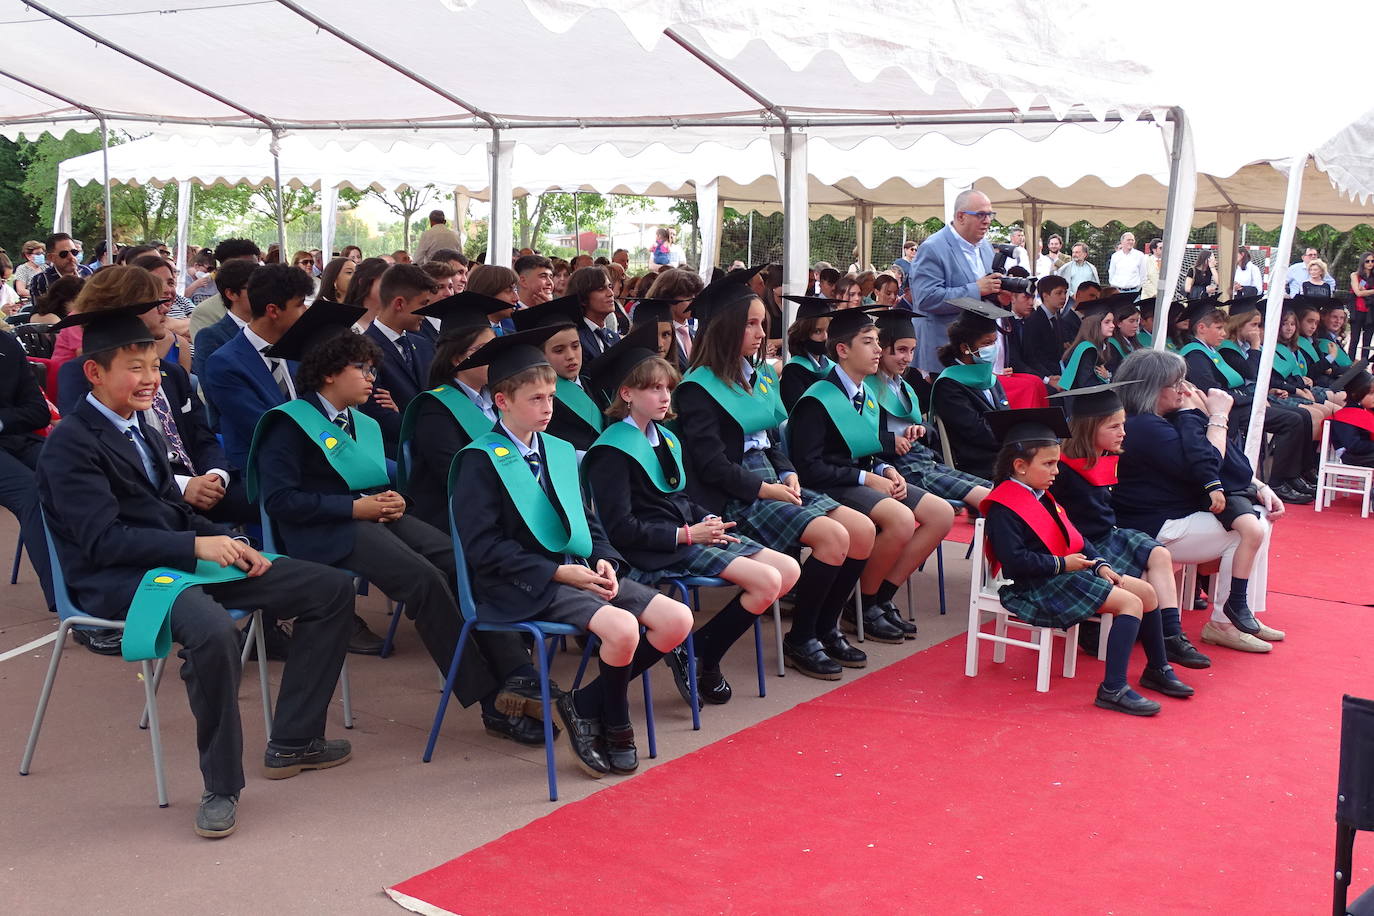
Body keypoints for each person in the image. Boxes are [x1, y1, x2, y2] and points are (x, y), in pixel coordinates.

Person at [38, 301, 356, 838]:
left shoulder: (145, 428)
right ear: (94, 372)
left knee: (328, 588)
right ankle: (222, 785)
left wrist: (224, 540)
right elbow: (102, 541)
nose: (150, 378)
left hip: (179, 557)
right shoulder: (71, 444)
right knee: (212, 631)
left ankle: (295, 739)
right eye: (134, 368)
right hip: (121, 579)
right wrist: (196, 546)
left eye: (155, 366)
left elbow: (170, 506)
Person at [250, 302, 549, 747]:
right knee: (424, 580)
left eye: (373, 369)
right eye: (362, 368)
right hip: (321, 533)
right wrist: (355, 509)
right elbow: (279, 500)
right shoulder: (289, 425)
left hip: (372, 519)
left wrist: (393, 499)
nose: (372, 378)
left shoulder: (360, 423)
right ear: (329, 372)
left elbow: (380, 479)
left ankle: (520, 676)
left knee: (460, 560)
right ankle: (491, 702)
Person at [452, 330, 693, 777]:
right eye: (536, 400)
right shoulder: (478, 460)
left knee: (677, 620)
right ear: (502, 402)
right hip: (521, 582)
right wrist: (559, 575)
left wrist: (605, 558)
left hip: (578, 571)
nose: (548, 408)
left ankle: (582, 704)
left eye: (550, 397)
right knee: (623, 629)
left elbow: (588, 522)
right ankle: (615, 722)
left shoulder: (558, 451)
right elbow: (483, 548)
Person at [675, 276, 876, 680]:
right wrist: (768, 488)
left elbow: (770, 437)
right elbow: (712, 466)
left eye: (763, 323)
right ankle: (802, 637)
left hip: (772, 480)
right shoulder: (697, 389)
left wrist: (786, 471)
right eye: (750, 324)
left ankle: (825, 625)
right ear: (726, 326)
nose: (760, 333)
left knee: (863, 530)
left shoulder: (759, 375)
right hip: (734, 495)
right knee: (833, 537)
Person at [584, 330, 798, 704]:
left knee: (790, 571)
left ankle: (697, 649)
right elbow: (620, 529)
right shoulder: (612, 451)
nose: (665, 396)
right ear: (627, 394)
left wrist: (710, 521)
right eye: (653, 389)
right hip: (654, 548)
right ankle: (706, 656)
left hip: (689, 533)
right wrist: (686, 535)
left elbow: (679, 496)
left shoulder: (664, 437)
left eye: (667, 387)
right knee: (766, 581)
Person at [979, 407, 1171, 716]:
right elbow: (1015, 563)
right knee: (1130, 604)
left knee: (1148, 593)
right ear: (1020, 466)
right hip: (1035, 586)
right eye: (1049, 463)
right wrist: (1063, 565)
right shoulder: (1005, 506)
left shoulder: (1041, 494)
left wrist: (1100, 564)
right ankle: (1112, 689)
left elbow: (1075, 538)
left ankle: (1157, 669)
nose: (1057, 470)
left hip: (1060, 574)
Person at [788, 308, 955, 643]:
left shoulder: (865, 394)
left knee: (942, 513)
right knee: (901, 519)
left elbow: (870, 448)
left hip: (860, 478)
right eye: (868, 342)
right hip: (829, 485)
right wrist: (867, 478)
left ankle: (876, 599)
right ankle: (861, 602)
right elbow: (809, 469)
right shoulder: (818, 399)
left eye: (878, 341)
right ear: (842, 350)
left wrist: (885, 468)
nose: (878, 349)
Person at [1111, 349, 1282, 656]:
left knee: (1258, 517)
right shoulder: (1144, 426)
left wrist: (1258, 485)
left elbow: (1231, 466)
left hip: (1170, 515)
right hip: (1151, 525)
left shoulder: (1163, 419)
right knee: (1246, 530)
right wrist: (1215, 417)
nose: (1183, 389)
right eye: (1174, 383)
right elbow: (1209, 464)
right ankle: (1224, 623)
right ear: (1150, 388)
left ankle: (1240, 615)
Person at [58, 267, 253, 526]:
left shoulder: (170, 373)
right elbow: (108, 457)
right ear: (127, 309)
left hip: (205, 484)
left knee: (279, 499)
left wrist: (215, 475)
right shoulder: (81, 377)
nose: (166, 308)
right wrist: (182, 486)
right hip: (145, 502)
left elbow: (201, 435)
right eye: (156, 303)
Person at [1050, 380, 1204, 678]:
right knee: (1147, 575)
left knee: (1159, 555)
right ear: (1088, 428)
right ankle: (1115, 633)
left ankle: (1171, 635)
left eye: (1122, 424)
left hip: (1109, 536)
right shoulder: (1062, 469)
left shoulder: (1107, 456)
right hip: (1080, 545)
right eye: (1113, 426)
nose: (1123, 432)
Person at [1179, 298, 1315, 503]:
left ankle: (1292, 476)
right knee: (1292, 420)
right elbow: (1212, 391)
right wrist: (1250, 399)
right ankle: (1278, 482)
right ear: (1201, 328)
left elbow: (1236, 381)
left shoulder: (1210, 350)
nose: (1224, 334)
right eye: (1219, 328)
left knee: (1302, 415)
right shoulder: (1195, 355)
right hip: (1225, 411)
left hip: (1237, 403)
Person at [871, 309, 991, 511]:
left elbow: (928, 429)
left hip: (924, 460)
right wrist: (891, 441)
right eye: (901, 350)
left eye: (912, 350)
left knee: (993, 490)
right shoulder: (868, 387)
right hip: (898, 467)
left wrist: (921, 429)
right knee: (987, 497)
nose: (908, 358)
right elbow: (858, 438)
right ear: (881, 348)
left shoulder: (904, 386)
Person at [202, 265, 313, 471]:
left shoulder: (301, 350)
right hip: (264, 471)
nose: (305, 312)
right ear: (273, 310)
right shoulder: (225, 363)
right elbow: (264, 429)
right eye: (299, 305)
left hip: (314, 459)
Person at [908, 189, 999, 375]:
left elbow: (985, 295)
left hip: (975, 357)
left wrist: (999, 295)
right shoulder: (933, 248)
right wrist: (976, 289)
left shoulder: (986, 248)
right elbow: (926, 298)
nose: (988, 220)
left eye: (990, 214)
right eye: (981, 214)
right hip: (941, 356)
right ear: (961, 216)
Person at [359, 264, 441, 456]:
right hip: (395, 457)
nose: (427, 312)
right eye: (423, 304)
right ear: (399, 303)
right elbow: (380, 417)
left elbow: (437, 399)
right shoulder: (363, 350)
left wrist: (403, 414)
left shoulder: (423, 345)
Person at [507, 294, 604, 452]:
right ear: (541, 355)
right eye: (559, 350)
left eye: (575, 346)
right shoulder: (542, 400)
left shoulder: (595, 384)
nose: (571, 356)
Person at [929, 300, 1013, 479]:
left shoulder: (989, 377)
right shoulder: (949, 384)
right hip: (978, 465)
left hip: (1004, 456)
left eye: (994, 341)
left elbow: (1006, 417)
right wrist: (1014, 439)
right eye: (986, 343)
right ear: (965, 348)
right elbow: (977, 432)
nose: (993, 348)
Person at [188, 239, 262, 340]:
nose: (250, 275)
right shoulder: (205, 312)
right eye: (239, 270)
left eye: (255, 268)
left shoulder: (274, 304)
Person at [779, 296, 839, 411]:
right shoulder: (793, 372)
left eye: (827, 330)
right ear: (803, 334)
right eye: (818, 331)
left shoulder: (831, 366)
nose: (825, 337)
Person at [1059, 300, 1115, 391]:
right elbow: (1087, 384)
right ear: (1094, 324)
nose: (1112, 325)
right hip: (1084, 402)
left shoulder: (1100, 347)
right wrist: (1107, 381)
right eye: (1107, 322)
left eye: (1112, 321)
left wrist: (1107, 376)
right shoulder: (1087, 350)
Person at [1328, 360, 1374, 466]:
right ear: (1355, 394)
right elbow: (1353, 445)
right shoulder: (1345, 416)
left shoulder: (1365, 410)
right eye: (1371, 393)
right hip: (1353, 456)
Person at [569, 265, 620, 359]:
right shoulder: (575, 339)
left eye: (610, 286)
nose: (611, 293)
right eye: (601, 289)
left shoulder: (614, 337)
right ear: (583, 298)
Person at [27, 233, 94, 300]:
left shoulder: (88, 272)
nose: (71, 257)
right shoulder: (41, 280)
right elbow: (42, 309)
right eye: (64, 254)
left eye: (74, 252)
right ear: (51, 257)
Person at [341, 256, 390, 332]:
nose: (391, 288)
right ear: (363, 282)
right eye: (385, 282)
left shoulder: (392, 322)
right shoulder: (344, 324)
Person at [1105, 296, 1145, 374]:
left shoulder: (1133, 342)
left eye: (1137, 321)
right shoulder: (1111, 345)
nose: (1136, 325)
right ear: (1119, 323)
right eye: (1131, 321)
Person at [1348, 252, 1374, 359]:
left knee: (1367, 341)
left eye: (1372, 261)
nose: (1370, 263)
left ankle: (1363, 364)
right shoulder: (1355, 275)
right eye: (1367, 261)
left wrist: (1366, 291)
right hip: (1358, 310)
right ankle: (1350, 362)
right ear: (1362, 262)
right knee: (1354, 339)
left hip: (1371, 312)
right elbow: (1358, 293)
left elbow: (1362, 291)